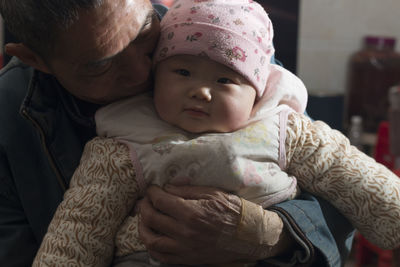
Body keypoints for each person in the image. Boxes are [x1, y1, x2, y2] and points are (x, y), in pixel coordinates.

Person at [32, 0, 400, 266]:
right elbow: (81, 225)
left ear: (257, 90)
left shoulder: (280, 126)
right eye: (182, 73)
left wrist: (275, 234)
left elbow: (353, 179)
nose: (201, 91)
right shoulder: (124, 139)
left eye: (225, 80)